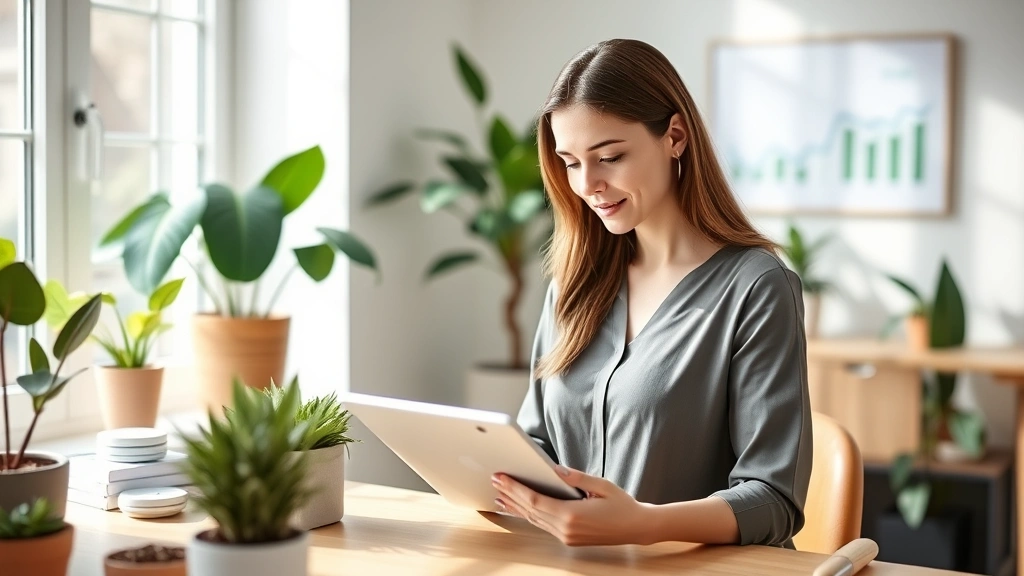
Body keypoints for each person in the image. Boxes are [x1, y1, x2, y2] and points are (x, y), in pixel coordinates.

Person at [490, 39, 812, 549]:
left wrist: (645, 523)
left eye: (610, 157)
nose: (589, 184)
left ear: (675, 137)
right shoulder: (573, 283)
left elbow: (774, 499)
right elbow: (539, 443)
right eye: (570, 163)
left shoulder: (756, 287)